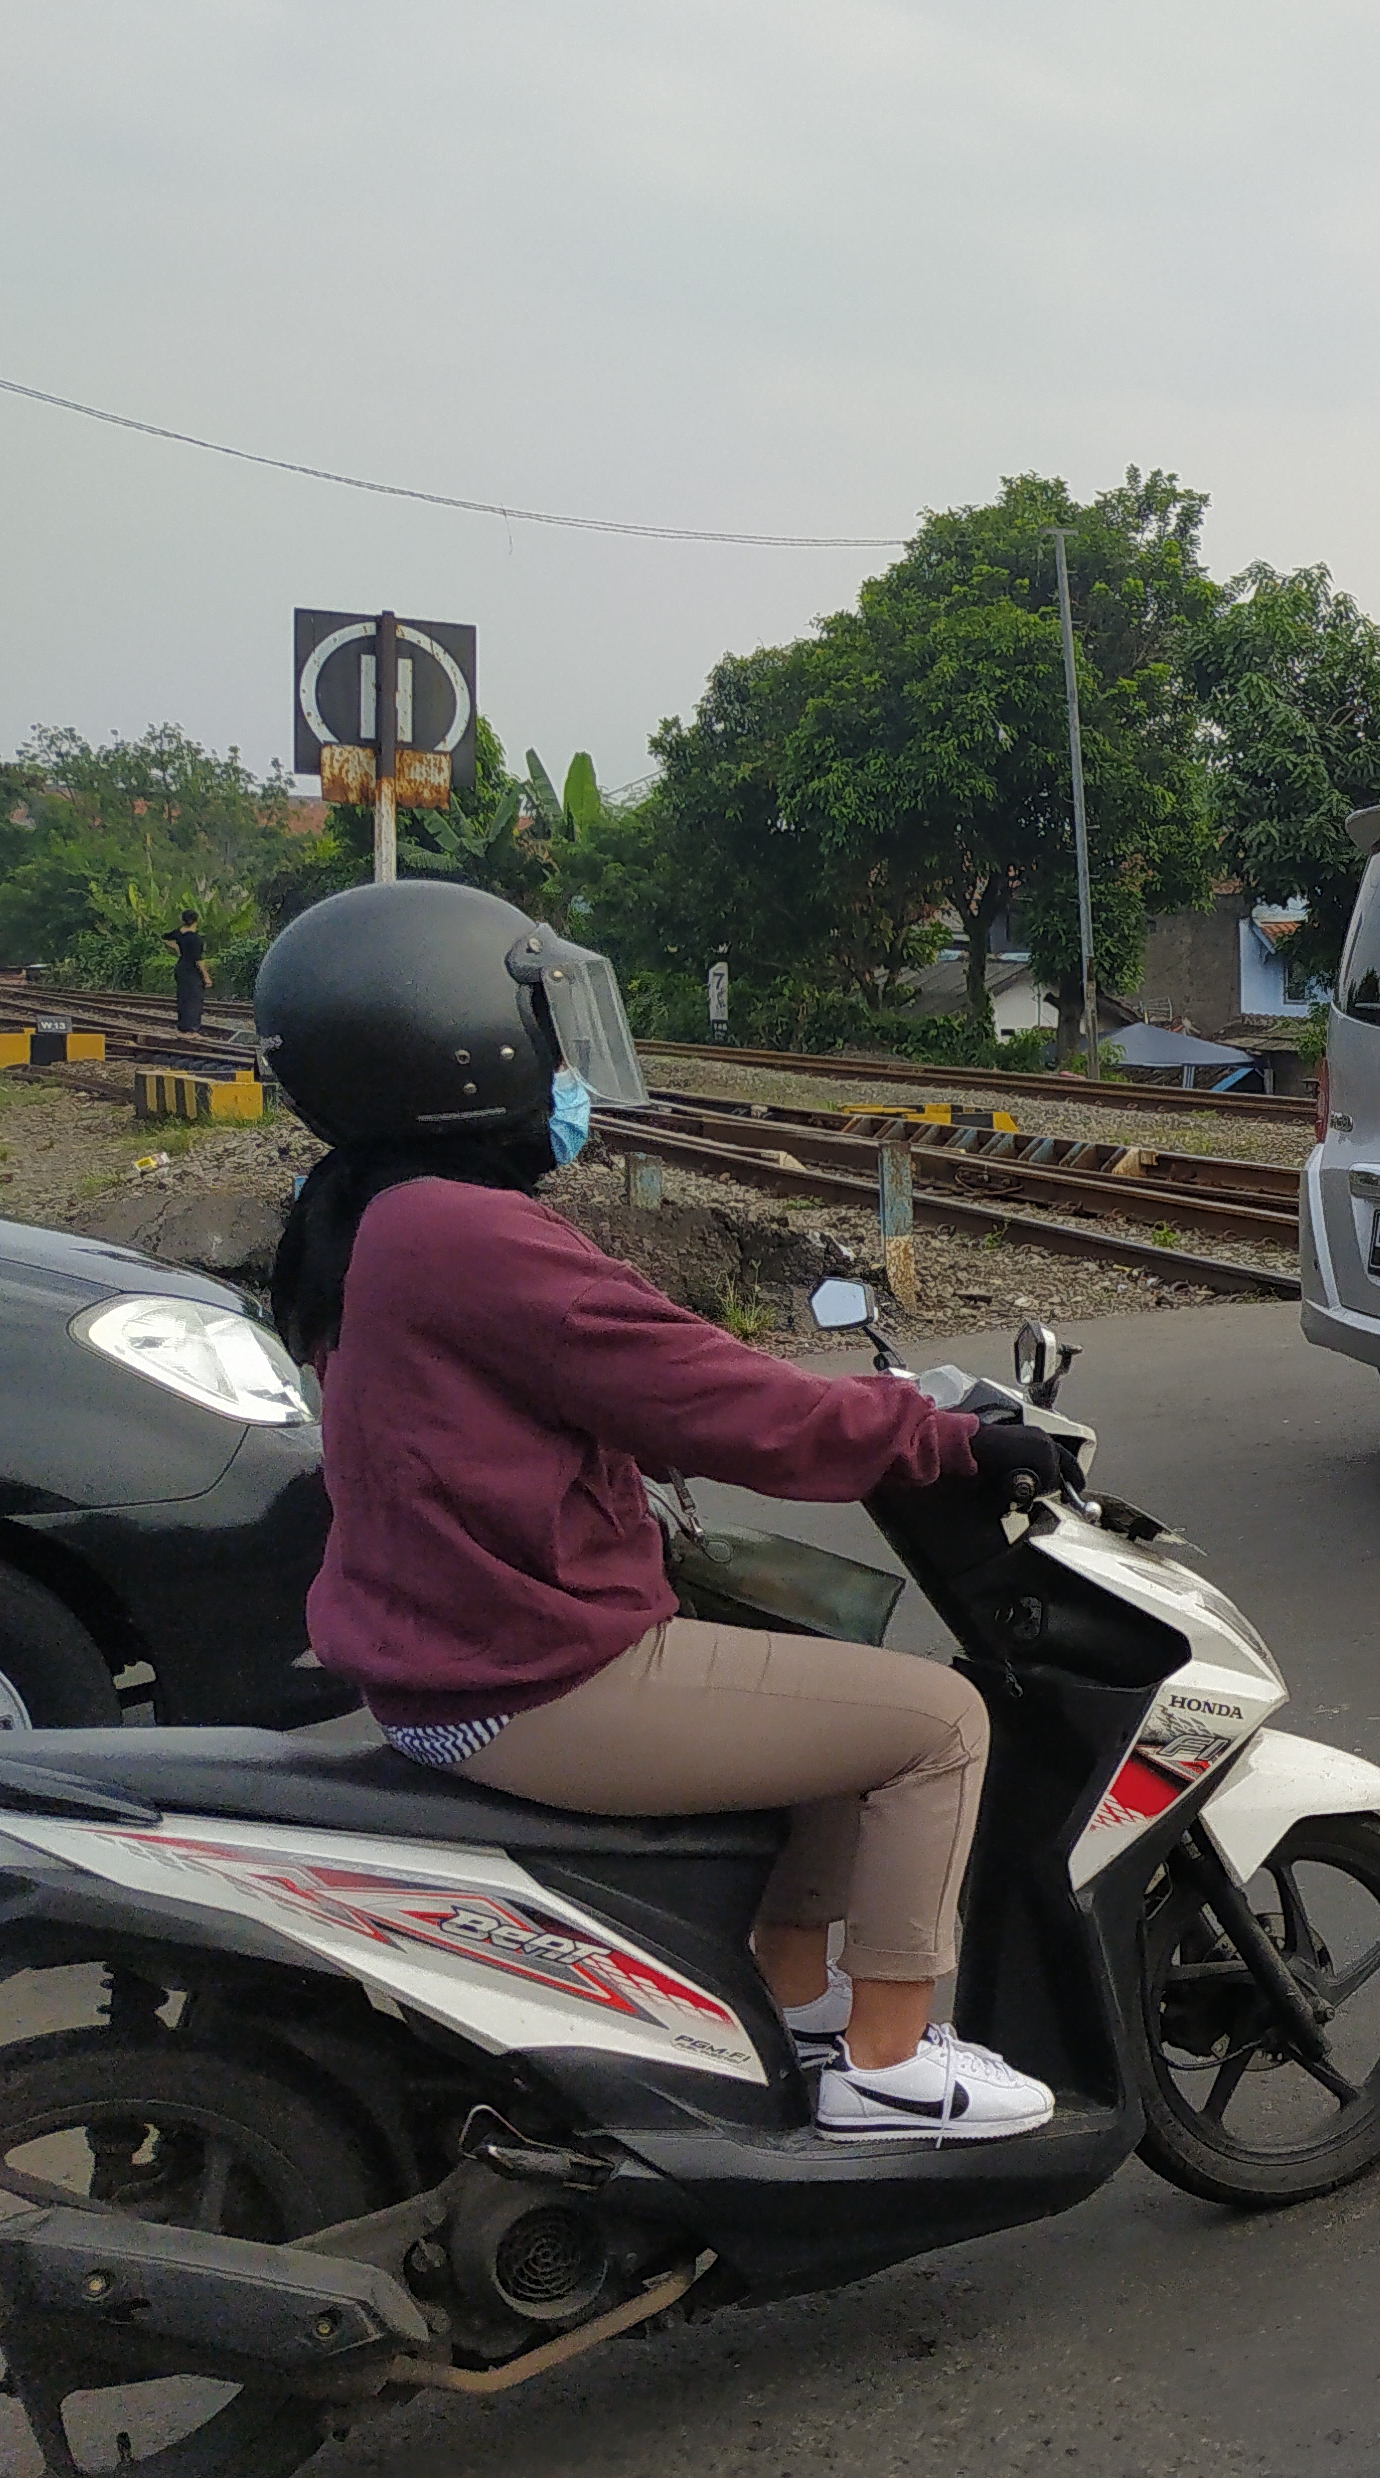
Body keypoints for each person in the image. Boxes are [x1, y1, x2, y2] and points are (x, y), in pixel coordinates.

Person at [260, 878, 1071, 2141]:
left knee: (820, 1697)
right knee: (939, 1722)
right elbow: (723, 1404)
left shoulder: (362, 1210)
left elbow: (634, 1384)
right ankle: (892, 2067)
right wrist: (949, 1439)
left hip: (452, 1662)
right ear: (464, 1042)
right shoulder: (463, 1231)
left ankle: (798, 2014)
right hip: (527, 1674)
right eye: (544, 1031)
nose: (564, 1065)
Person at [170, 909, 205, 1035]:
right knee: (195, 998)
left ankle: (182, 1025)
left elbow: (164, 937)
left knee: (183, 997)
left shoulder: (179, 934)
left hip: (181, 967)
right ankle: (193, 1027)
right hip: (192, 970)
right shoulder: (196, 939)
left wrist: (177, 948)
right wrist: (206, 976)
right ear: (196, 921)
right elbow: (198, 960)